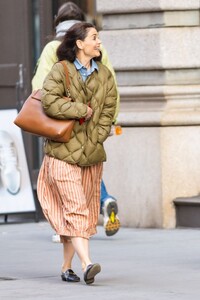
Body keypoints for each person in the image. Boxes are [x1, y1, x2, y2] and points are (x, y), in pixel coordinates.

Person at [37, 22, 117, 284]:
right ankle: (87, 264)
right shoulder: (61, 70)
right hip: (62, 152)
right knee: (75, 208)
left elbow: (109, 108)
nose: (99, 42)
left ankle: (66, 266)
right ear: (80, 44)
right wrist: (80, 111)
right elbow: (49, 101)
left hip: (91, 154)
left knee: (81, 212)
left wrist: (98, 136)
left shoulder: (104, 74)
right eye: (94, 38)